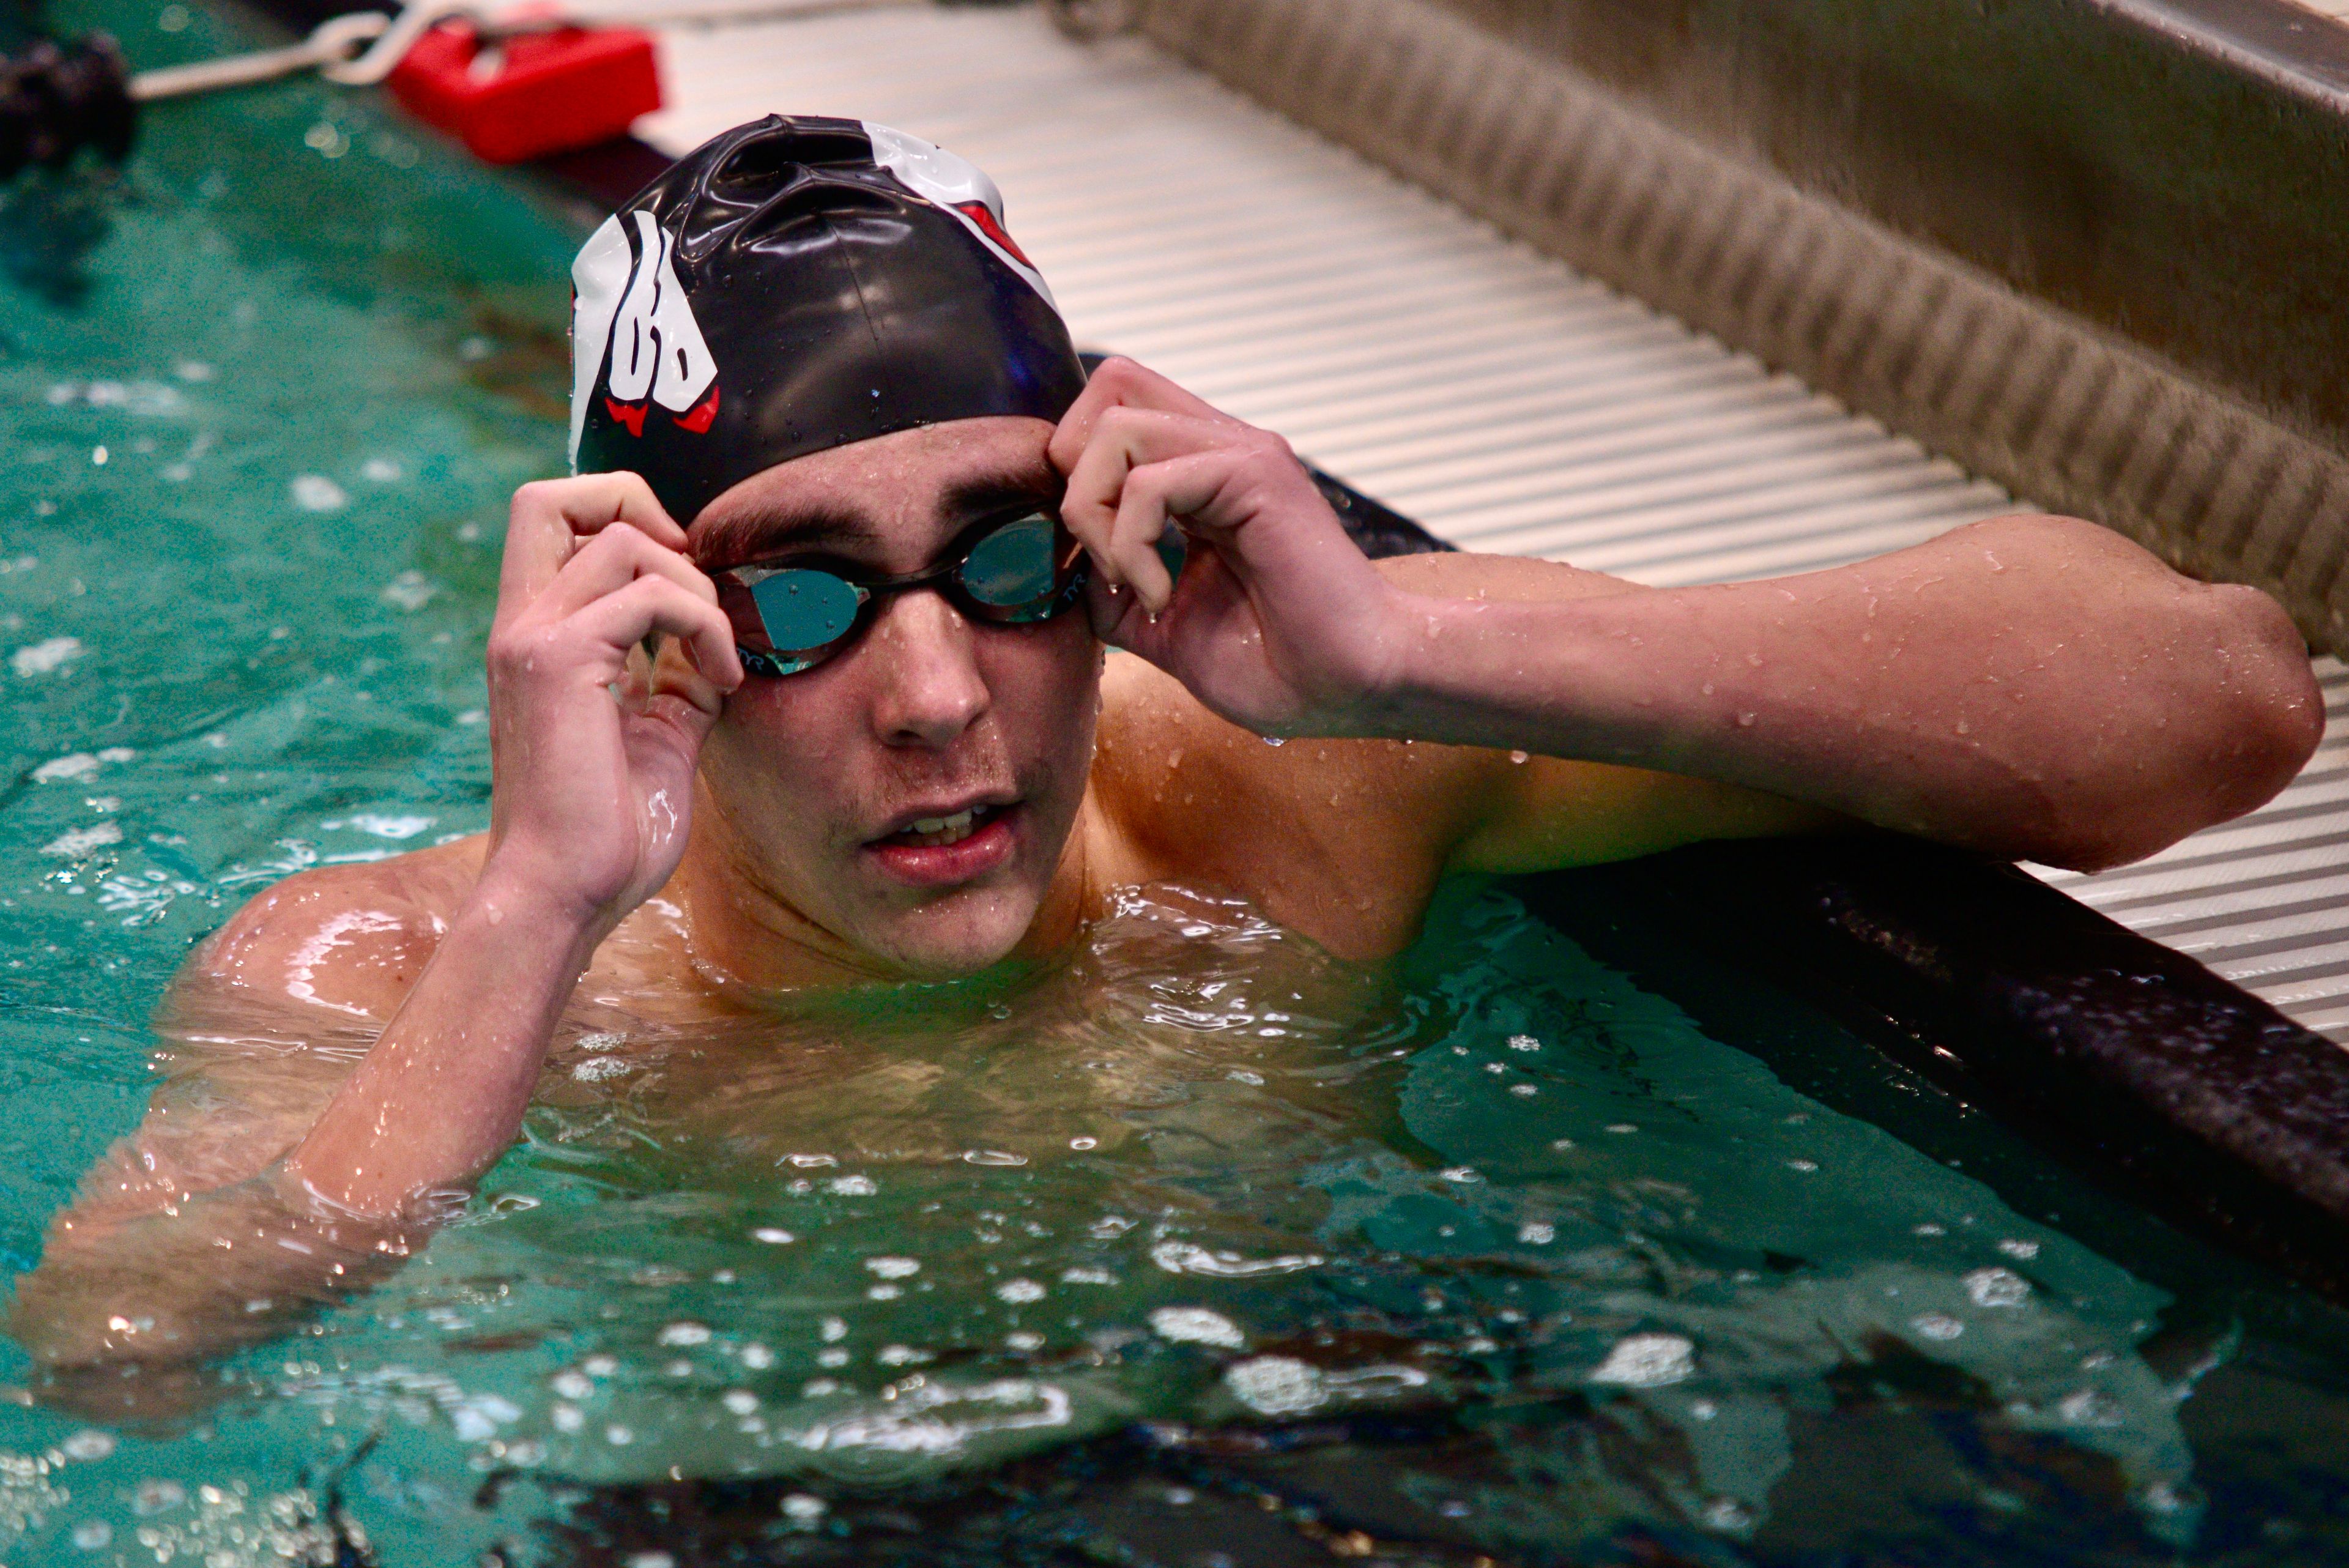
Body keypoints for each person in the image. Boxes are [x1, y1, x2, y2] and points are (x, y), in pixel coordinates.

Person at [10, 116, 2320, 1386]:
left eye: (1006, 562)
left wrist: (1398, 639)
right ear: (652, 638)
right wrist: (533, 913)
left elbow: (2209, 696)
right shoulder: (386, 961)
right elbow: (114, 1349)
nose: (936, 697)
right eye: (801, 599)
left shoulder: (1283, 781)